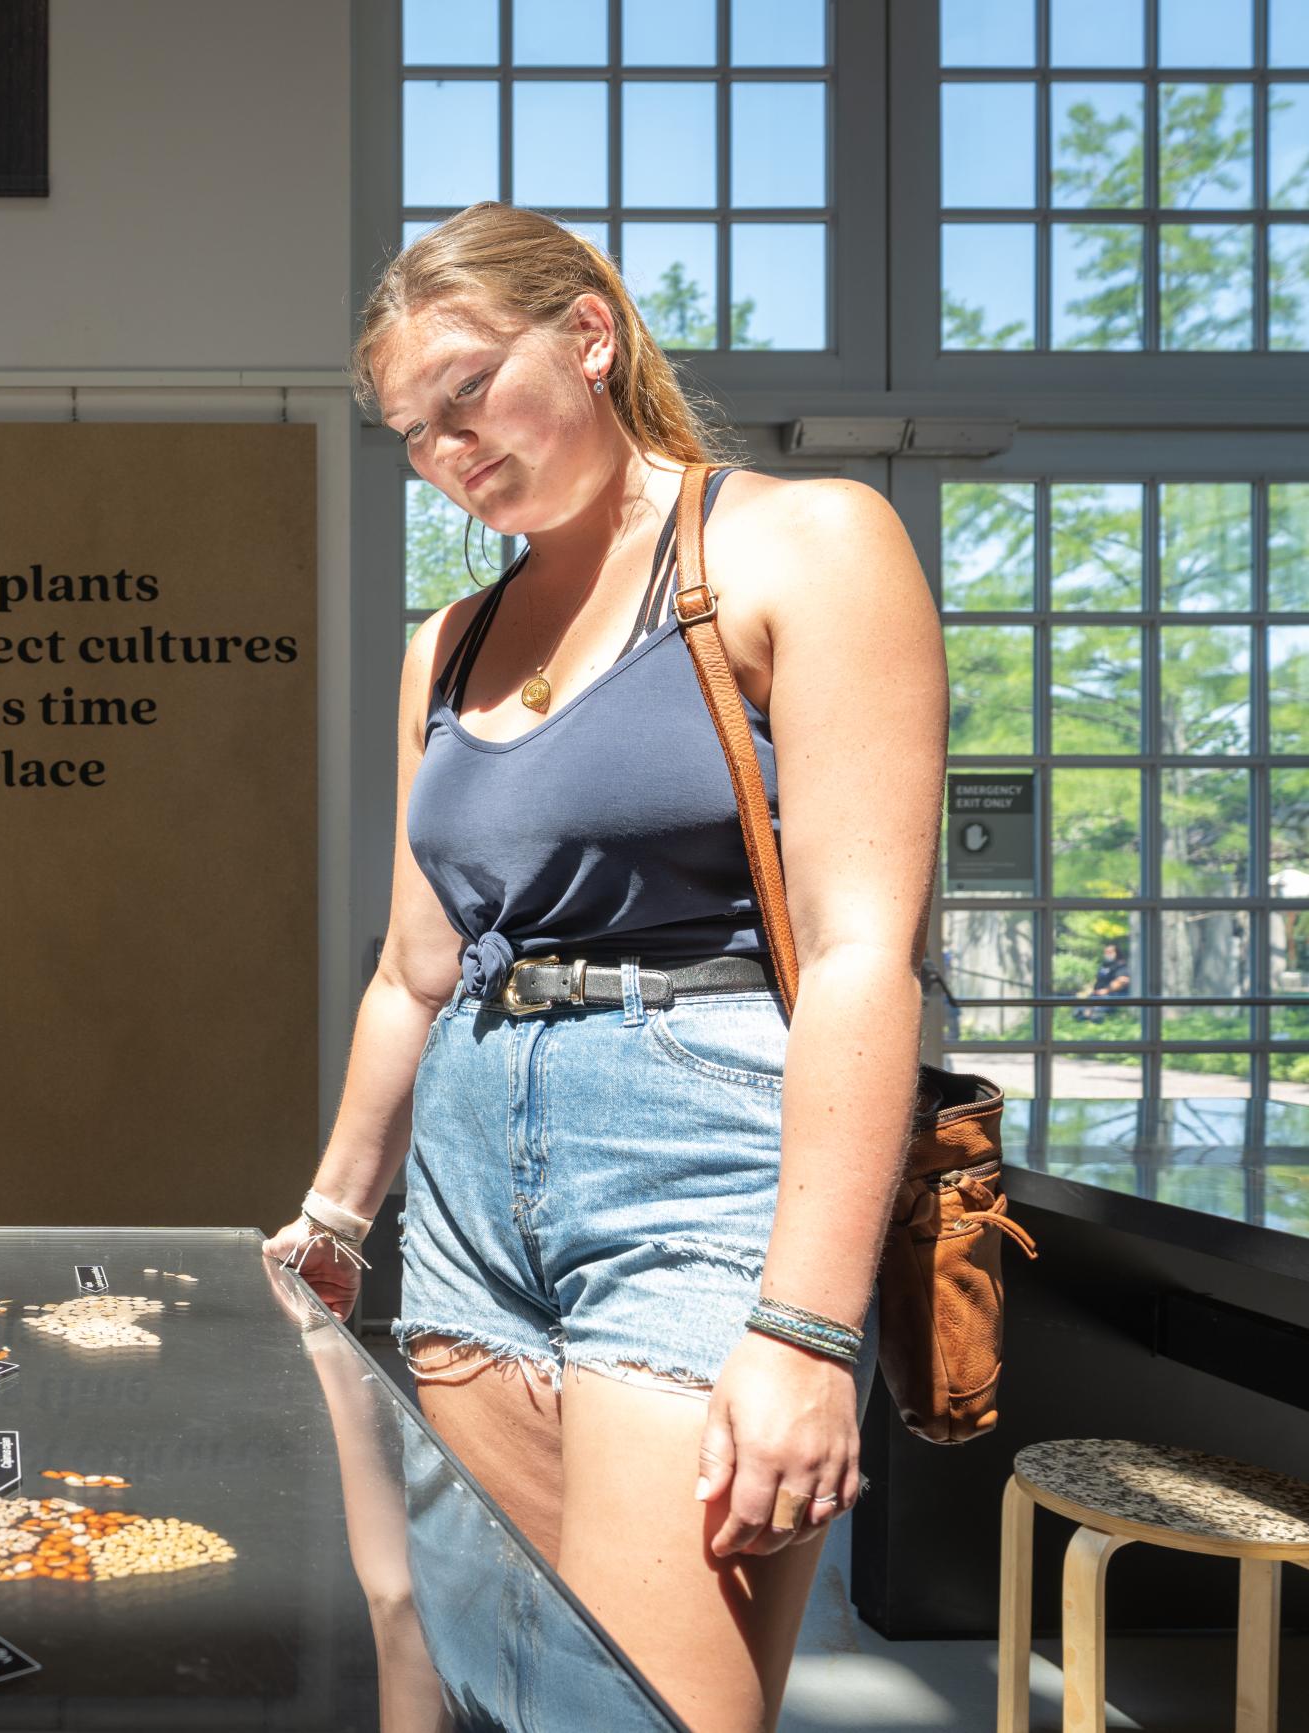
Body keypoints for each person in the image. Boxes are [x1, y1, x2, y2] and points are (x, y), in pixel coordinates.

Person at [263, 202, 944, 1733]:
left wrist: (809, 1331)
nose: (450, 453)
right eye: (413, 436)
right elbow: (414, 970)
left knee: (641, 1709)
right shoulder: (445, 641)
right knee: (472, 1681)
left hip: (696, 1155)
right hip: (466, 1176)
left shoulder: (802, 541)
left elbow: (856, 958)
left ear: (589, 330)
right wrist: (331, 1215)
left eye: (469, 394)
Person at [1072, 939, 1131, 1021]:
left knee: (1097, 1011)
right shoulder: (1105, 965)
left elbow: (1122, 980)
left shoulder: (1121, 965)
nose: (1107, 954)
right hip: (1097, 995)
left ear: (1117, 953)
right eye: (1106, 952)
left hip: (1112, 996)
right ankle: (1086, 1014)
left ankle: (1092, 1015)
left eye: (1110, 952)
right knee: (1080, 1008)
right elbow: (1098, 979)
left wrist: (1106, 990)